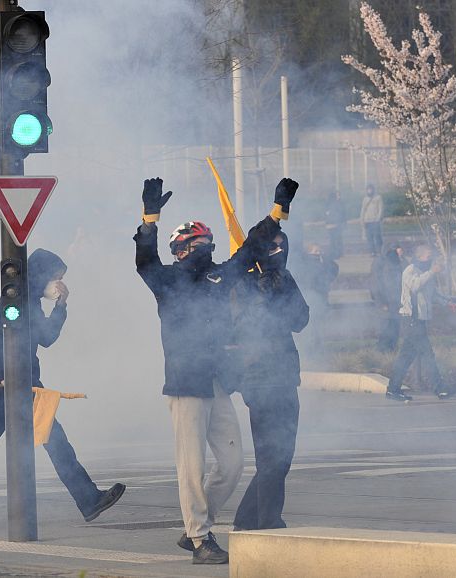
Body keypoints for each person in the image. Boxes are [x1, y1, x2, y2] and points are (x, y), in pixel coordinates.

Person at [133, 176, 298, 565]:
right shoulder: (167, 283)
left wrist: (277, 212)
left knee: (232, 464)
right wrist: (150, 219)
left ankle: (195, 527)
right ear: (181, 250)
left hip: (216, 383)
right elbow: (144, 260)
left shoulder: (219, 277)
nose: (206, 247)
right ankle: (200, 537)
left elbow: (250, 249)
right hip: (186, 384)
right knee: (192, 467)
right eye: (198, 243)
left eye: (208, 242)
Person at [0, 248, 125, 527]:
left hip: (16, 382)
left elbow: (43, 337)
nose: (59, 284)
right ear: (42, 276)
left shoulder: (26, 300)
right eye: (56, 278)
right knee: (51, 441)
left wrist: (60, 306)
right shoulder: (19, 300)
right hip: (12, 384)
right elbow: (1, 340)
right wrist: (4, 376)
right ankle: (88, 499)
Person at [227, 231, 309, 531]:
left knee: (283, 456)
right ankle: (267, 521)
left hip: (285, 376)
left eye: (281, 246)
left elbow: (301, 319)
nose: (277, 251)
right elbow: (244, 325)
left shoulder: (284, 277)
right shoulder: (242, 283)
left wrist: (281, 287)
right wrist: (266, 293)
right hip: (258, 379)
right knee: (269, 455)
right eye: (271, 246)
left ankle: (247, 519)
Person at [386, 244, 456, 402]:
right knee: (427, 354)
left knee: (406, 357)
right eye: (428, 256)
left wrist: (447, 303)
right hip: (411, 319)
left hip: (419, 320)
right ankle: (440, 388)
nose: (431, 259)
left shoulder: (428, 273)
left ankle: (393, 389)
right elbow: (415, 286)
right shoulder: (410, 270)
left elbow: (433, 294)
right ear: (419, 257)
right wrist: (432, 272)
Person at [370, 244, 406, 352]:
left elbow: (407, 273)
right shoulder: (380, 262)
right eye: (397, 248)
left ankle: (392, 350)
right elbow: (375, 283)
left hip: (396, 301)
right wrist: (381, 302)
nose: (400, 250)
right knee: (386, 328)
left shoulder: (399, 260)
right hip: (385, 301)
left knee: (395, 327)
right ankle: (382, 352)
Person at [360, 184, 383, 256]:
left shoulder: (378, 198)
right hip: (367, 221)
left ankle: (380, 250)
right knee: (369, 237)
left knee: (377, 236)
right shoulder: (365, 199)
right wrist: (362, 219)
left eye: (370, 189)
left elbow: (381, 209)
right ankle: (372, 251)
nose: (369, 191)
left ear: (373, 190)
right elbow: (363, 210)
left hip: (375, 220)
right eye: (368, 189)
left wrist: (378, 218)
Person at [324, 191, 346, 260]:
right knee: (337, 240)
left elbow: (326, 214)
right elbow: (341, 214)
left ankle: (334, 253)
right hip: (335, 225)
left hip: (330, 225)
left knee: (333, 241)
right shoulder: (337, 203)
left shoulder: (328, 204)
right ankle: (337, 253)